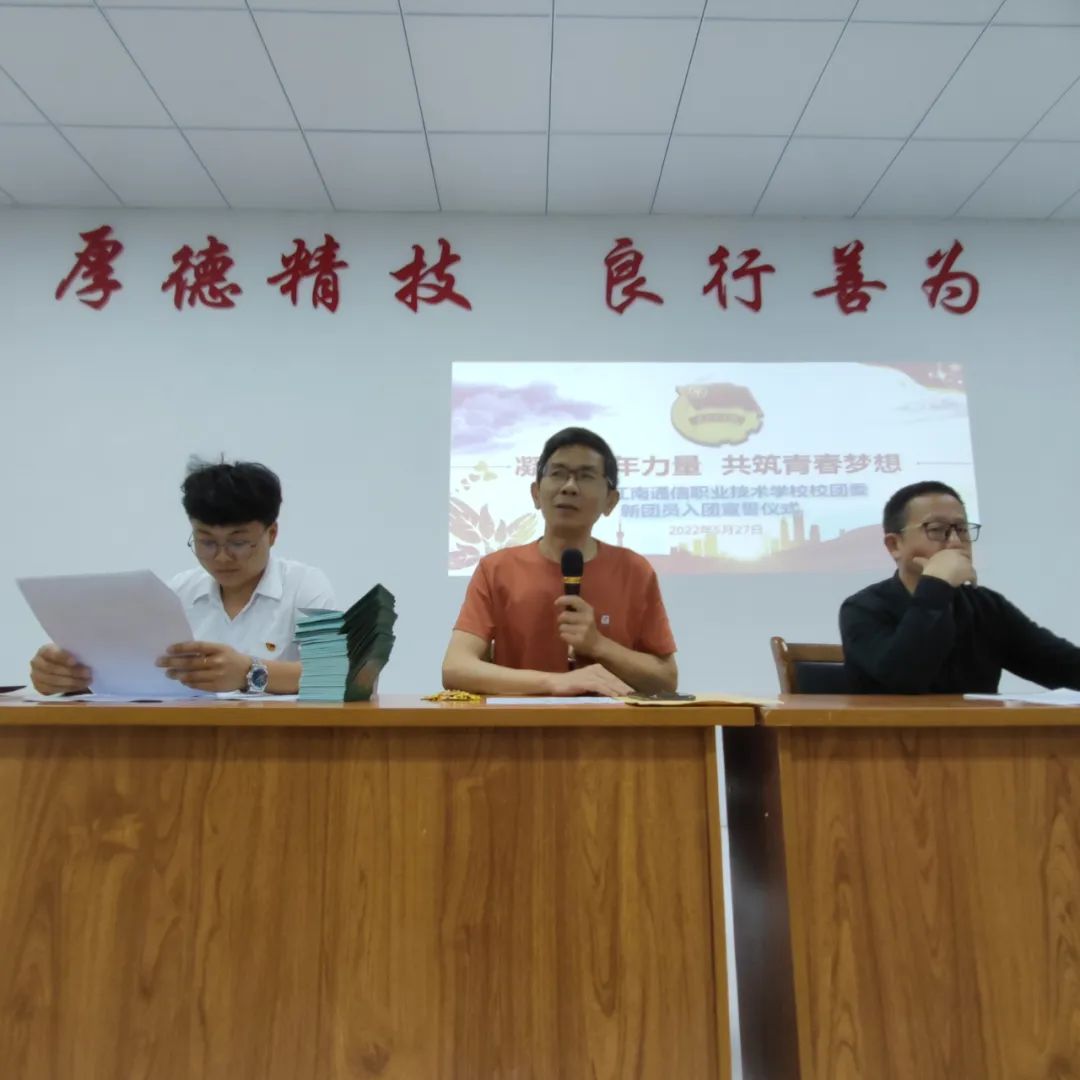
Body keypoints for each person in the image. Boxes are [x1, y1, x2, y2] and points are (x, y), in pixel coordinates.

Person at [28, 459, 334, 695]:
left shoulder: (304, 587)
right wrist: (65, 676)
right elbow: (134, 675)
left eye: (239, 542)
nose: (222, 557)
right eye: (206, 542)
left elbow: (343, 675)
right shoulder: (177, 593)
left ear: (272, 533)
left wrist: (249, 672)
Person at [442, 427, 677, 697]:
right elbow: (455, 668)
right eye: (558, 474)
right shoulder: (497, 569)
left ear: (610, 501)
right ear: (536, 493)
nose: (569, 487)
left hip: (611, 724)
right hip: (521, 723)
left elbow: (666, 680)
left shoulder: (634, 570)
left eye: (586, 476)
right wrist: (555, 682)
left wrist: (598, 645)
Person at [840, 480, 1080, 694]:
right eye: (936, 530)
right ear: (895, 545)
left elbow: (1063, 666)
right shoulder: (862, 609)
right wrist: (935, 586)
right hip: (892, 731)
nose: (955, 542)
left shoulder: (986, 606)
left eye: (962, 529)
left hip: (980, 731)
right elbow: (904, 678)